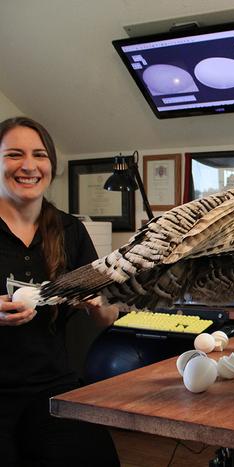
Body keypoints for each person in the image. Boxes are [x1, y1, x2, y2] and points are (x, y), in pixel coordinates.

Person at [0, 116, 120, 466]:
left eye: (39, 155)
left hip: (52, 386)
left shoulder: (71, 231)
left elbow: (108, 316)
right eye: (13, 155)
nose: (28, 166)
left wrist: (97, 302)